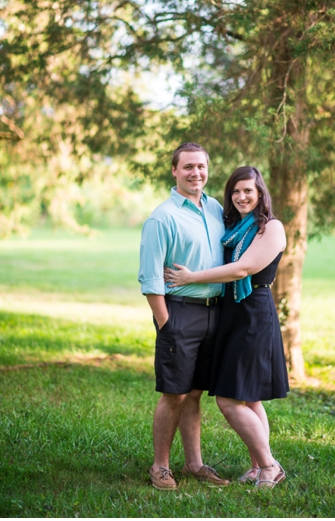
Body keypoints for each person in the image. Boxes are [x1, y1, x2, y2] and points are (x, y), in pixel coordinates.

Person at [164, 165, 289, 489]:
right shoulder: (234, 227)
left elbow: (243, 268)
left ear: (261, 193)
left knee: (229, 400)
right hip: (230, 313)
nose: (242, 196)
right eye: (236, 191)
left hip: (253, 315)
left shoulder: (271, 228)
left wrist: (192, 277)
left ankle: (269, 465)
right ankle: (256, 467)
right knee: (252, 399)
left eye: (248, 190)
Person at [138, 142, 230, 490]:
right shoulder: (162, 217)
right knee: (174, 394)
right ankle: (160, 466)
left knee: (194, 393)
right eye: (188, 167)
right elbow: (150, 280)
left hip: (213, 315)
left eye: (201, 167)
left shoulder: (216, 209)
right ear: (175, 171)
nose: (196, 173)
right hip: (178, 313)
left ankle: (195, 464)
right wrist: (167, 325)